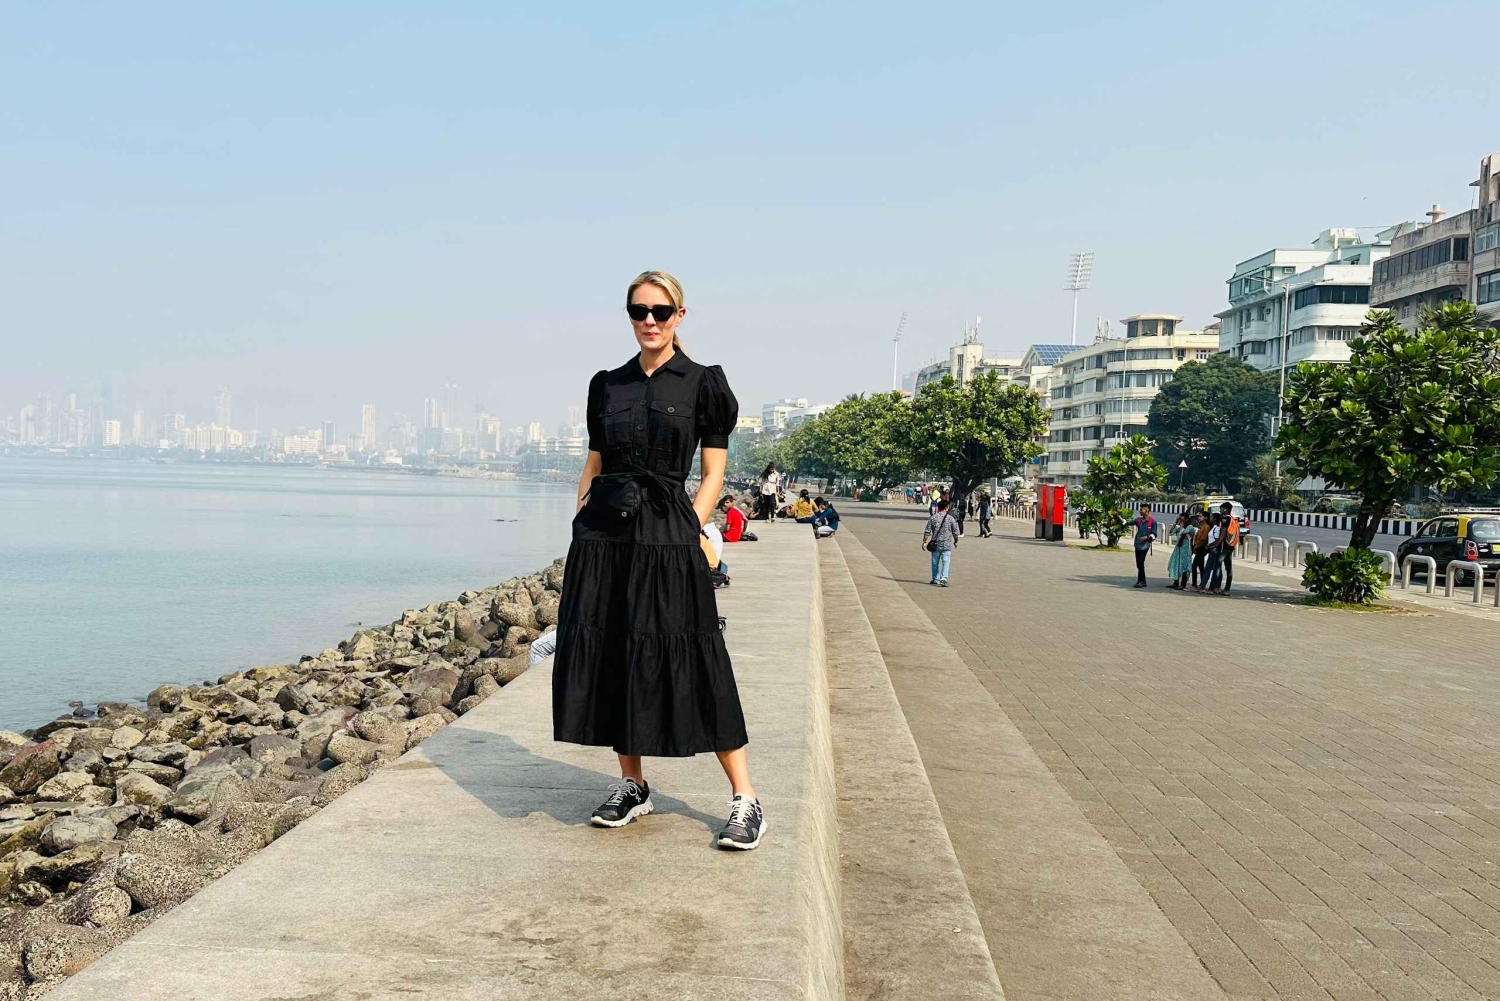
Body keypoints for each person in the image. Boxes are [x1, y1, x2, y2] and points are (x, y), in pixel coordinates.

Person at [554, 270, 765, 851]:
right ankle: (633, 784)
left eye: (661, 311)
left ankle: (745, 798)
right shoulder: (607, 385)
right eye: (639, 310)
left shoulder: (703, 384)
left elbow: (713, 472)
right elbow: (595, 462)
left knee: (698, 653)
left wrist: (688, 529)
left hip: (669, 534)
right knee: (616, 652)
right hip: (605, 538)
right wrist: (581, 519)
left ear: (680, 315)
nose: (649, 320)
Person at [922, 498, 959, 586]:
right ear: (946, 508)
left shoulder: (933, 518)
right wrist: (956, 541)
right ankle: (943, 578)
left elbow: (927, 531)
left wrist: (924, 542)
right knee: (946, 561)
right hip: (947, 544)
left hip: (935, 544)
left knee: (935, 562)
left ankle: (936, 578)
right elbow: (955, 532)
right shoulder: (951, 518)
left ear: (938, 507)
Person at [1216, 502, 1240, 596]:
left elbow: (1222, 534)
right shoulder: (1233, 519)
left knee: (1218, 565)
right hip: (1230, 546)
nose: (1220, 510)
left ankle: (1216, 587)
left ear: (1225, 509)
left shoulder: (1225, 519)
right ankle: (1226, 589)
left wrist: (1215, 544)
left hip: (1224, 546)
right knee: (1228, 568)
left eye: (1221, 509)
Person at [1167, 513, 1194, 590]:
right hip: (1178, 548)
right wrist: (1175, 523)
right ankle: (1175, 582)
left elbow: (1184, 532)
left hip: (1185, 549)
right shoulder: (1179, 528)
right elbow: (1171, 532)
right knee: (1176, 564)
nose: (1181, 520)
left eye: (1182, 519)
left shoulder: (1190, 527)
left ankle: (1183, 584)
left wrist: (1181, 525)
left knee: (1184, 565)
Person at [1132, 503, 1156, 588]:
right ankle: (1142, 581)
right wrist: (1119, 518)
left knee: (1140, 562)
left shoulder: (1153, 522)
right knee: (1138, 564)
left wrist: (1147, 537)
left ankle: (1141, 581)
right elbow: (1127, 523)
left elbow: (1154, 534)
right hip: (1137, 544)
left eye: (1141, 509)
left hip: (1145, 545)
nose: (1140, 511)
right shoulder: (1138, 520)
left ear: (1147, 510)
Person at [1202, 512, 1224, 594]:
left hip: (1215, 551)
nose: (1210, 518)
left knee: (1215, 569)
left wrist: (1210, 545)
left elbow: (1217, 540)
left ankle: (1215, 587)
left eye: (1211, 517)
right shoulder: (1213, 527)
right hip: (1212, 550)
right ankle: (1204, 586)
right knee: (1210, 568)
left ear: (1215, 519)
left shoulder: (1217, 529)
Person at [1190, 511, 1210, 592]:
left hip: (1201, 548)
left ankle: (1196, 585)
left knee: (1195, 566)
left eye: (1201, 516)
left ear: (1205, 517)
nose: (1199, 517)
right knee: (1200, 566)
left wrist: (1196, 546)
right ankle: (1201, 584)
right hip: (1198, 547)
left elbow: (1203, 539)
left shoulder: (1206, 527)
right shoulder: (1201, 526)